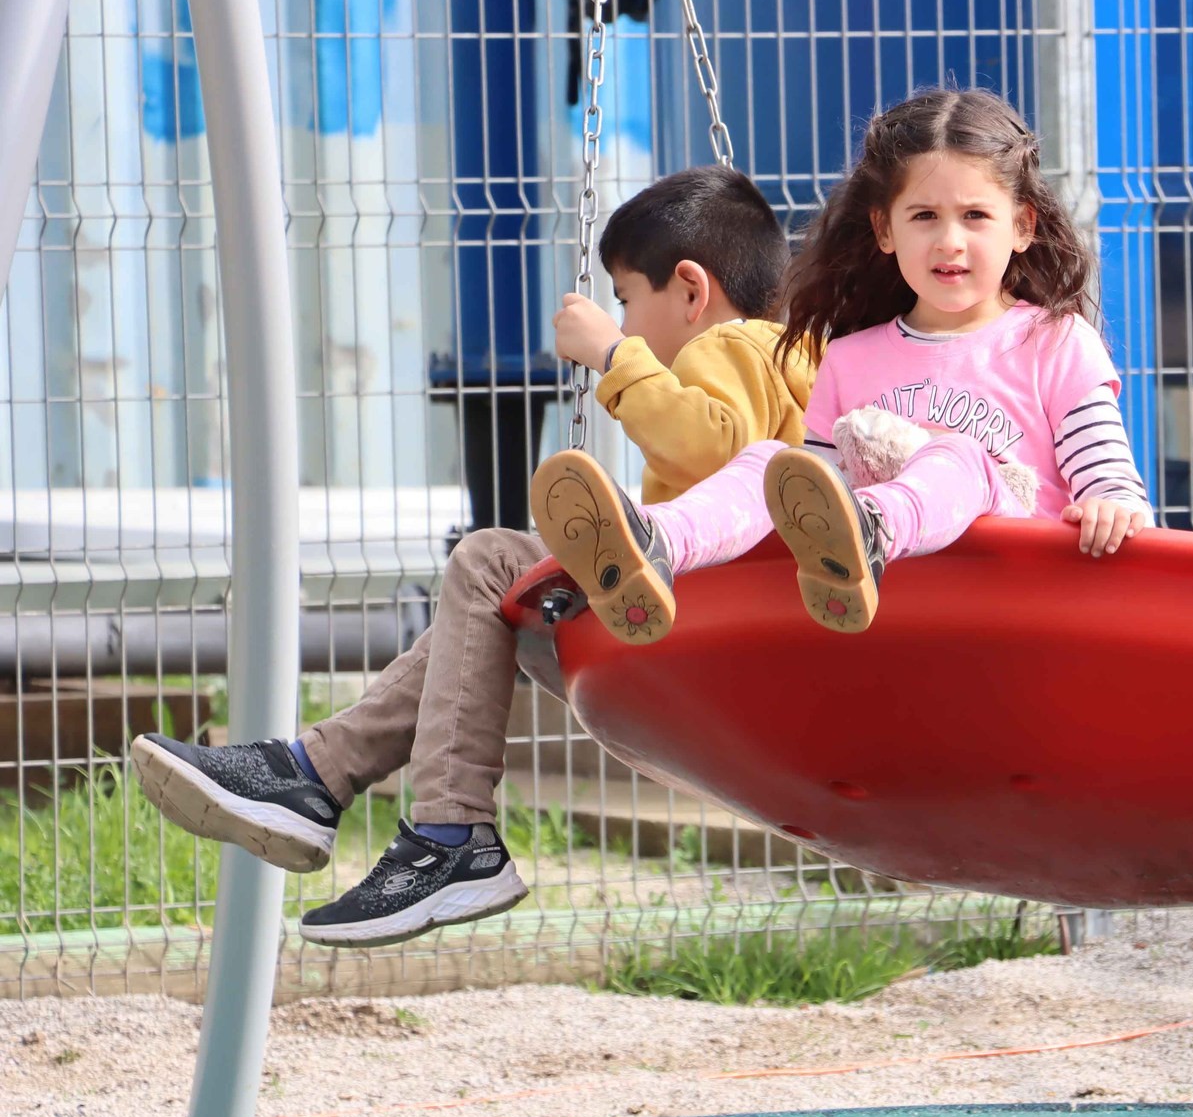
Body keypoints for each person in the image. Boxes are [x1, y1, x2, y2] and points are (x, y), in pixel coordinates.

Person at [129, 166, 814, 947]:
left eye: (628, 299)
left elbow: (720, 447)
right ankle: (319, 775)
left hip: (694, 640)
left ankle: (441, 833)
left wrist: (615, 356)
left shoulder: (726, 344)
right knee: (492, 589)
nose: (623, 318)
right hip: (736, 642)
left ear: (691, 291)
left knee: (490, 560)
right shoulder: (798, 357)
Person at [531, 87, 1152, 642]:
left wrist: (1113, 505)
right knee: (775, 461)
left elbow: (1112, 483)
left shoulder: (1054, 342)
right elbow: (814, 496)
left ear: (1021, 227)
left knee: (958, 456)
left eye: (976, 216)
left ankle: (875, 527)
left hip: (1010, 594)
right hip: (892, 609)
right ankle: (655, 543)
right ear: (885, 230)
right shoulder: (850, 360)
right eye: (924, 217)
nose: (950, 241)